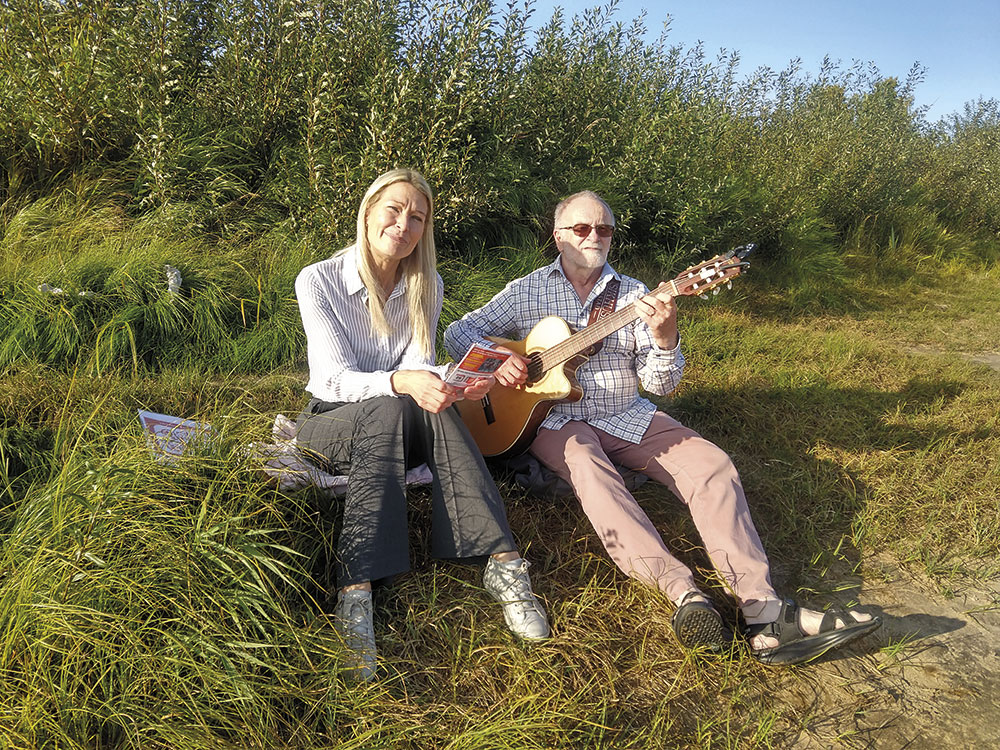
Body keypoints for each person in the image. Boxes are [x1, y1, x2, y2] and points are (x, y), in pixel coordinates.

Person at [444, 190, 880, 665]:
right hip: (553, 418)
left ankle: (764, 611)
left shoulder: (635, 295)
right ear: (558, 236)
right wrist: (506, 358)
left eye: (605, 229)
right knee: (592, 473)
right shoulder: (525, 290)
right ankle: (684, 594)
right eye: (582, 228)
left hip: (627, 412)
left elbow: (661, 383)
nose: (595, 237)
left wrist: (665, 338)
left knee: (712, 464)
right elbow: (457, 333)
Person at [294, 168, 549, 681]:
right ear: (368, 212)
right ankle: (356, 591)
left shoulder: (424, 284)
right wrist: (404, 382)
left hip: (397, 423)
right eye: (394, 210)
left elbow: (422, 366)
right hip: (328, 424)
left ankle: (503, 564)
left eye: (417, 217)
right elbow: (331, 379)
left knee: (433, 403)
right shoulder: (318, 279)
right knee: (393, 403)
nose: (404, 225)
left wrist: (454, 384)